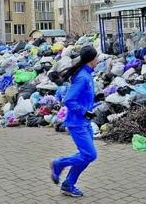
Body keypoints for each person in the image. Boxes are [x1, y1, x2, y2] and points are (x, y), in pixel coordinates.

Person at [50, 45, 99, 197]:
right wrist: (84, 112)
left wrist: (96, 99)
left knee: (85, 155)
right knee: (90, 155)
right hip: (77, 123)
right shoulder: (83, 77)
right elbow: (69, 100)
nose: (98, 59)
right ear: (91, 60)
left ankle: (68, 184)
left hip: (84, 122)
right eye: (96, 57)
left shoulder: (87, 74)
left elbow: (82, 97)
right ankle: (59, 164)